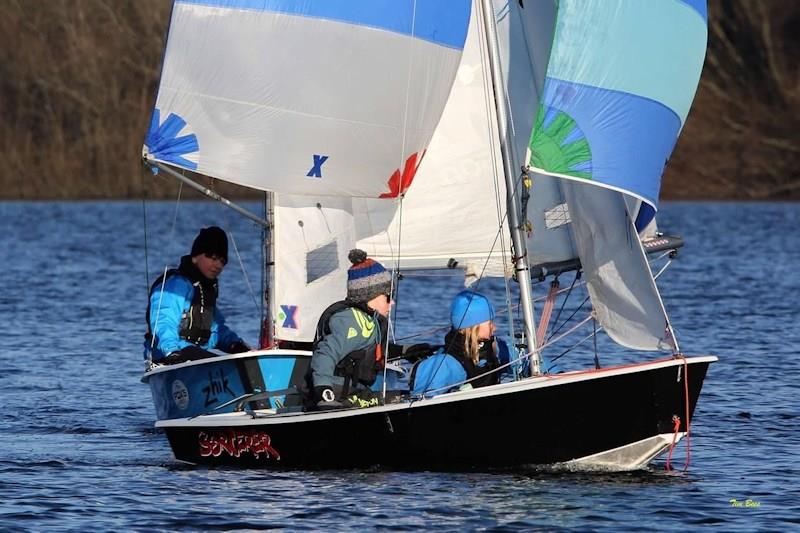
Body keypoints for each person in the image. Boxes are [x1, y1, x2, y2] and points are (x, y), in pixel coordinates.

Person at [309, 249, 432, 409]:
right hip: (339, 396)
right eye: (388, 296)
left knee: (403, 396)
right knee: (402, 400)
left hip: (356, 394)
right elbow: (326, 353)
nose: (392, 303)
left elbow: (372, 351)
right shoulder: (352, 321)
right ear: (370, 296)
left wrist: (407, 351)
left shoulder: (370, 322)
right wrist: (324, 390)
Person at [145, 226, 250, 364]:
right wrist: (171, 350)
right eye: (213, 258)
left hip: (195, 356)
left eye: (222, 261)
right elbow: (164, 321)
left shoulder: (206, 290)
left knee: (240, 361)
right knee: (218, 362)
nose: (218, 265)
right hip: (168, 356)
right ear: (195, 257)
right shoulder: (176, 285)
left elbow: (215, 329)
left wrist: (234, 345)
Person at [410, 290, 502, 396]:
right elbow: (421, 402)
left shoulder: (495, 348)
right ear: (473, 327)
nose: (495, 328)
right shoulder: (445, 364)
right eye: (490, 323)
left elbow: (518, 361)